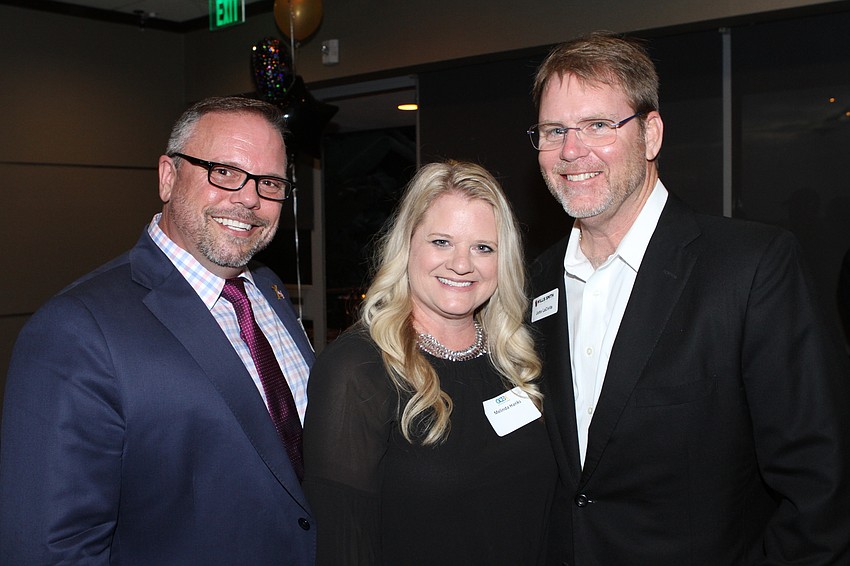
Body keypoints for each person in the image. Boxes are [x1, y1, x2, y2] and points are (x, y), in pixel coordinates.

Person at [526, 32, 850, 565]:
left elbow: (823, 487)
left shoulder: (750, 268)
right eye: (553, 130)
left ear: (650, 135)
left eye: (598, 126)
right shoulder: (534, 285)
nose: (570, 150)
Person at [0, 96, 316, 564]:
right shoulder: (76, 330)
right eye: (224, 171)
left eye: (269, 182)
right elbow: (50, 549)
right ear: (168, 177)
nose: (249, 198)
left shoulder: (267, 289)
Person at [302, 160, 557, 565]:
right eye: (441, 242)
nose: (461, 264)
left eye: (483, 247)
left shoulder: (518, 360)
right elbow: (343, 544)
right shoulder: (358, 370)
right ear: (408, 245)